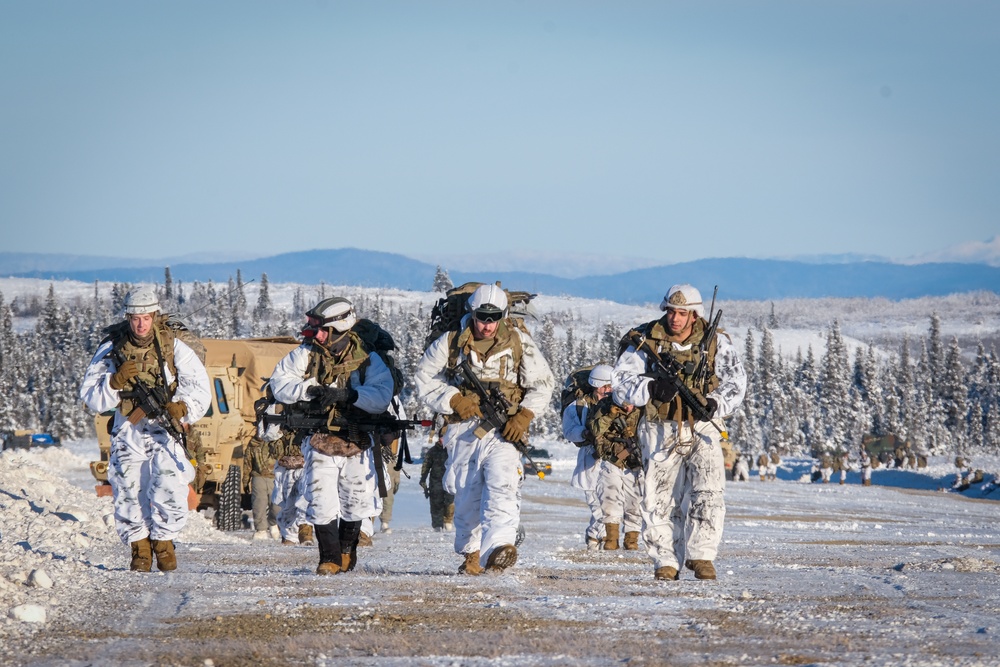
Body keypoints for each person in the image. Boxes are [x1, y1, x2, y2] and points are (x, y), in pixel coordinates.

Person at [414, 283, 554, 575]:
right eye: (482, 317)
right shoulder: (451, 342)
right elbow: (425, 377)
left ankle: (499, 548)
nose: (487, 325)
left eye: (494, 318)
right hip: (463, 430)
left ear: (502, 316)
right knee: (467, 494)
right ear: (472, 313)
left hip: (504, 431)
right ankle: (471, 554)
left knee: (503, 485)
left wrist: (525, 415)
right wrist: (453, 399)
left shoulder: (518, 342)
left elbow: (542, 383)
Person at [612, 283, 746, 581]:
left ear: (695, 315)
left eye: (682, 313)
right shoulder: (646, 341)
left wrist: (715, 403)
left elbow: (736, 383)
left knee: (709, 491)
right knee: (658, 496)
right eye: (671, 311)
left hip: (702, 425)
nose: (675, 318)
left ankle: (702, 556)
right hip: (660, 426)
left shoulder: (716, 343)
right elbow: (620, 381)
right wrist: (650, 387)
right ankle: (665, 560)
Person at [79, 287, 211, 572]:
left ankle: (164, 545)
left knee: (169, 484)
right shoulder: (111, 348)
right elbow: (90, 395)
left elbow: (199, 386)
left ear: (154, 315)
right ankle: (139, 549)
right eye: (135, 318)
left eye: (146, 318)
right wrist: (113, 383)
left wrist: (183, 407)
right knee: (128, 487)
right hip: (129, 428)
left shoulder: (173, 346)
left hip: (164, 427)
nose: (140, 324)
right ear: (129, 317)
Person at [268, 297, 394, 575]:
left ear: (340, 328)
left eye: (323, 329)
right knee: (320, 498)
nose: (317, 335)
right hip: (319, 439)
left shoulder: (368, 359)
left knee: (355, 502)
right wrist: (309, 390)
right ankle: (329, 558)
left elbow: (382, 395)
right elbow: (280, 382)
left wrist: (347, 395)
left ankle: (347, 551)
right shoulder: (306, 353)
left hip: (358, 440)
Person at [588, 385, 644, 551]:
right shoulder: (605, 407)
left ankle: (632, 540)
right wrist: (609, 416)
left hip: (635, 462)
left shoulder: (642, 410)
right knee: (609, 500)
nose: (627, 408)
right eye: (624, 404)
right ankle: (611, 539)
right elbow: (595, 429)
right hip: (612, 460)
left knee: (635, 502)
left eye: (630, 404)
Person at [563, 364, 613, 550]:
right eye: (605, 386)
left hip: (613, 459)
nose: (608, 390)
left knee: (610, 504)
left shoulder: (618, 404)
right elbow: (569, 432)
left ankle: (596, 536)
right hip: (590, 460)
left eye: (611, 386)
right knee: (597, 505)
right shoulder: (577, 407)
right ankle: (595, 538)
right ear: (595, 385)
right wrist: (585, 434)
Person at [244, 434, 280, 540]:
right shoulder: (254, 443)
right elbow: (248, 463)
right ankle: (261, 530)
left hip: (275, 476)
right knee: (259, 504)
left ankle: (273, 523)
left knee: (276, 506)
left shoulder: (277, 441)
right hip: (258, 476)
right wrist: (245, 481)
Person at [419, 435, 455, 531]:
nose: (442, 440)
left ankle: (448, 521)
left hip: (450, 481)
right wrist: (423, 479)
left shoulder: (453, 450)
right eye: (441, 437)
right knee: (436, 504)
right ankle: (437, 525)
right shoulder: (433, 451)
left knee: (450, 502)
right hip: (436, 482)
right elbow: (426, 465)